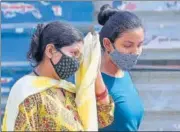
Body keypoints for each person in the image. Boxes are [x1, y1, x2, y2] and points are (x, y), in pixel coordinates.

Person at [2, 21, 114, 131]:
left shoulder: (68, 90)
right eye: (74, 53)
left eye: (80, 56)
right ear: (50, 51)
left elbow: (104, 117)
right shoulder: (27, 93)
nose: (77, 61)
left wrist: (93, 68)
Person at [98, 4, 145, 131]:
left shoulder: (124, 74)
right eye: (128, 45)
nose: (135, 52)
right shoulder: (93, 81)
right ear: (107, 44)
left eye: (139, 45)